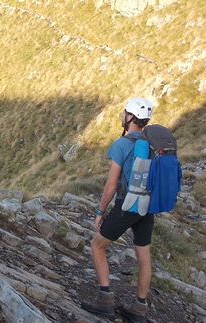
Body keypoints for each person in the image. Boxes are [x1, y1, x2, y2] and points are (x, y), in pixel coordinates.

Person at [81, 98, 154, 323]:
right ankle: (139, 308)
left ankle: (105, 300)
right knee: (144, 255)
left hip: (127, 205)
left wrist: (100, 210)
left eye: (124, 113)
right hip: (147, 206)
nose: (121, 116)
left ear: (130, 117)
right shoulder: (152, 143)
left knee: (97, 245)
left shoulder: (121, 144)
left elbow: (112, 184)